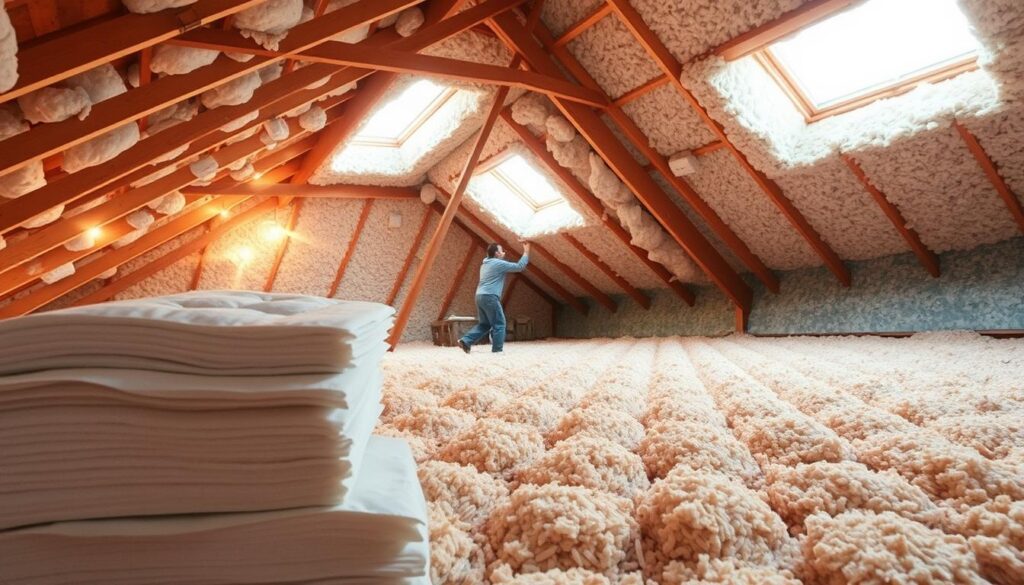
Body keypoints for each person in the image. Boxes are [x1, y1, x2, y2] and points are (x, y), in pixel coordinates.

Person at [457, 241, 530, 354]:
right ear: (497, 253)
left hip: (479, 296)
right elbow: (519, 267)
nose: (504, 253)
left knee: (485, 324)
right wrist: (526, 251)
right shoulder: (498, 264)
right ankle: (497, 350)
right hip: (490, 297)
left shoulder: (485, 265)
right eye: (502, 251)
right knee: (499, 323)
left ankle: (466, 341)